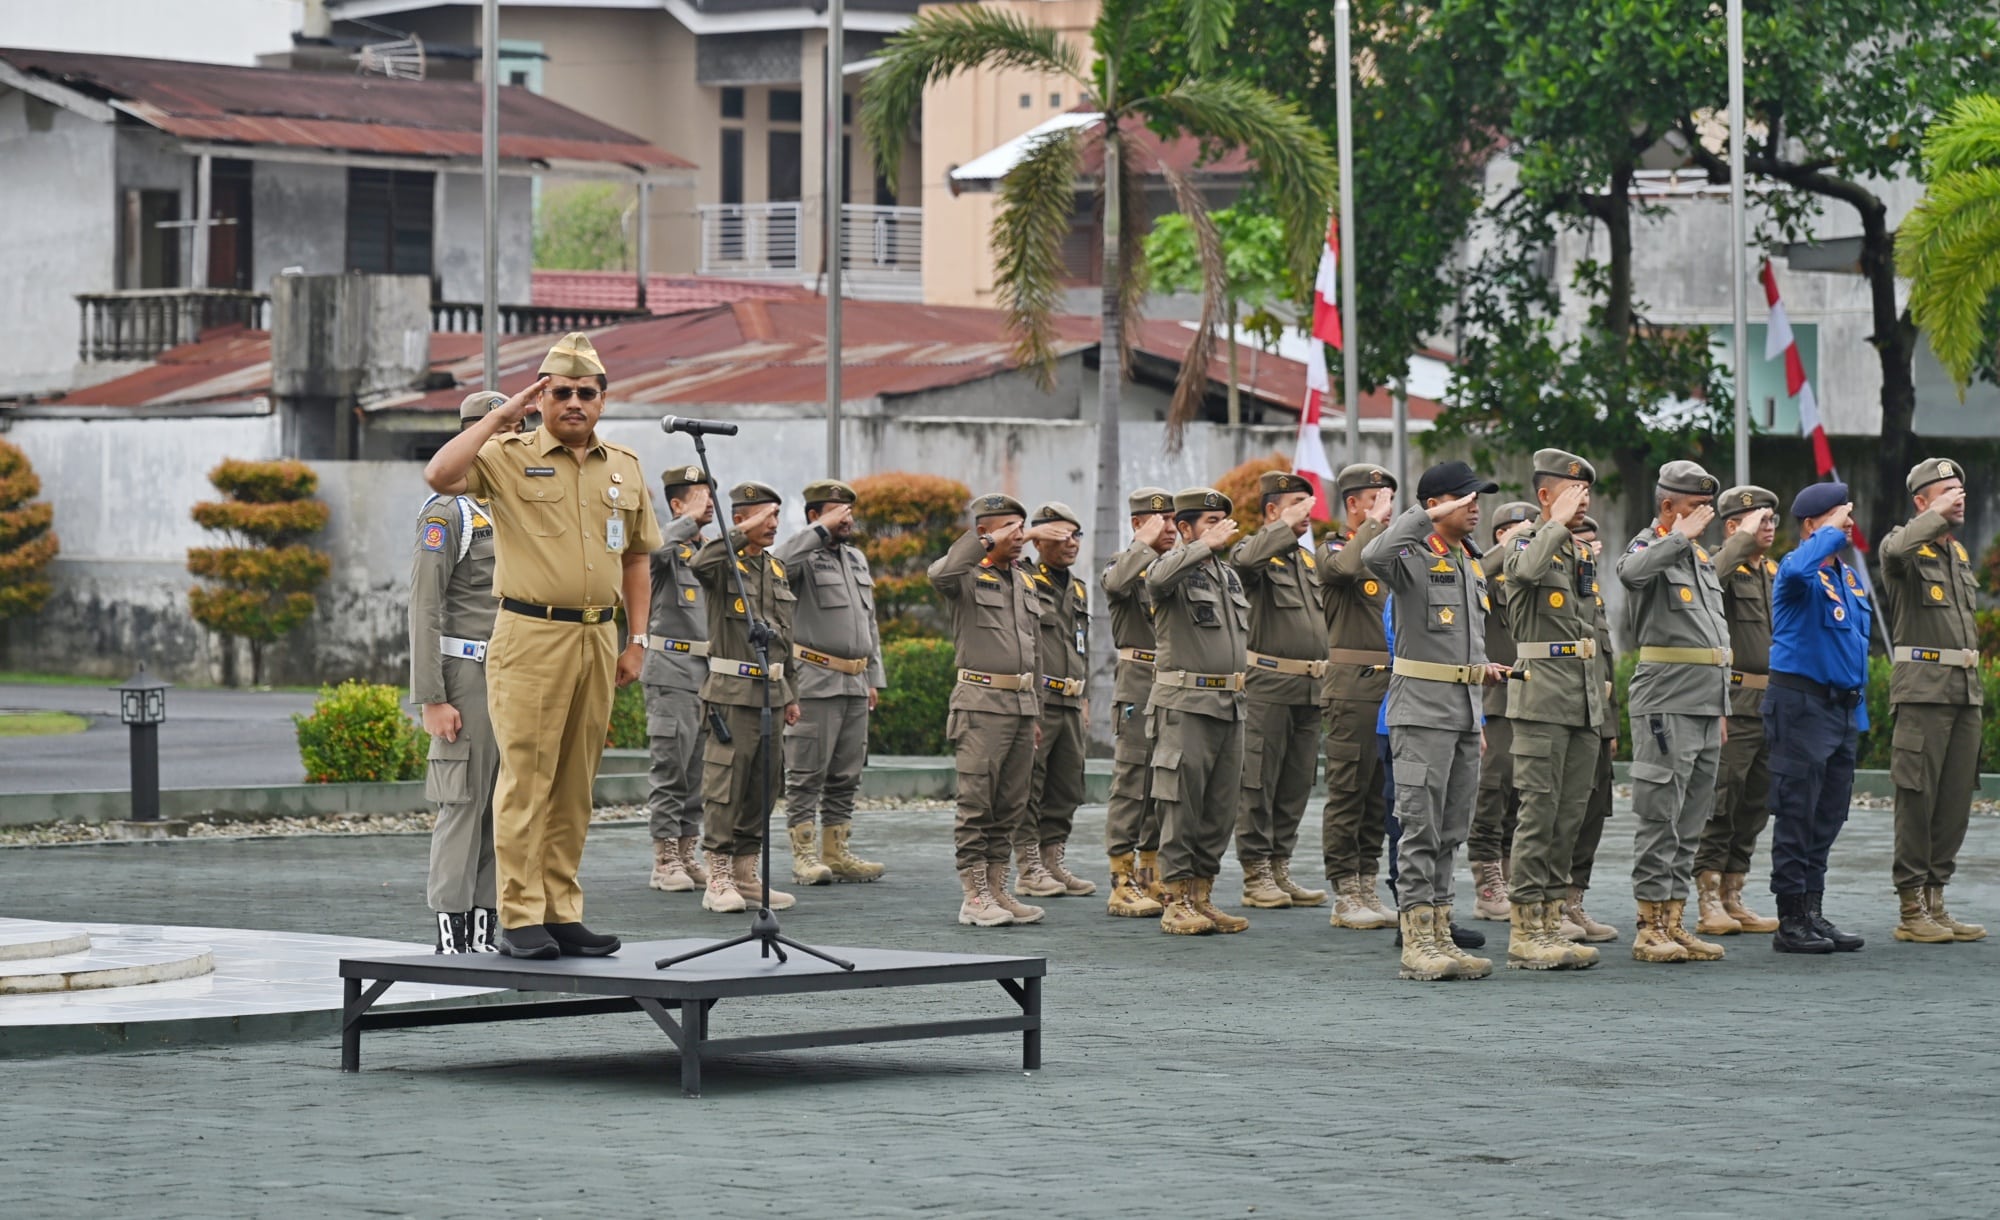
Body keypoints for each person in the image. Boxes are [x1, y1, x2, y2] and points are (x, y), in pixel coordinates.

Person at [421, 333, 660, 960]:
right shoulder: (507, 453)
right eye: (561, 392)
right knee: (526, 779)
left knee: (575, 784)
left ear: (603, 400)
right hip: (528, 635)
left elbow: (637, 558)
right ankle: (519, 913)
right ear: (542, 397)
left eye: (586, 392)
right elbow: (440, 474)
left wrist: (636, 640)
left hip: (597, 637)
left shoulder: (625, 467)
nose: (574, 402)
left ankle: (561, 910)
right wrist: (502, 416)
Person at [1362, 460, 1505, 981]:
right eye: (1465, 499)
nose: (1475, 507)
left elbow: (1459, 640)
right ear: (1437, 505)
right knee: (1419, 827)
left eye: (1476, 499)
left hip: (1463, 712)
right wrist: (1422, 515)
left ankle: (1441, 929)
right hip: (1421, 714)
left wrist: (1481, 677)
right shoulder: (1411, 557)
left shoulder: (1468, 561)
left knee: (1450, 829)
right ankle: (1417, 939)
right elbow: (1373, 553)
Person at [929, 493, 1062, 927]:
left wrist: (1036, 712)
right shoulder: (966, 574)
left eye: (1022, 528)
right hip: (981, 706)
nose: (1021, 537)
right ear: (986, 532)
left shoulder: (1023, 579)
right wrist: (983, 542)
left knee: (1010, 804)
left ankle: (999, 888)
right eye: (1012, 529)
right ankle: (975, 895)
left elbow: (1035, 651)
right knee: (977, 803)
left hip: (1022, 706)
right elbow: (941, 572)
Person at [1617, 460, 1730, 964]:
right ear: (1667, 507)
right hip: (1666, 700)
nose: (1703, 519)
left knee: (1690, 819)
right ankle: (1648, 927)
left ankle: (1673, 920)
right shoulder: (1652, 547)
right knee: (1659, 813)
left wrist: (1721, 706)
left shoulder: (1698, 558)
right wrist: (1677, 537)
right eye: (1693, 509)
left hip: (1706, 703)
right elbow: (1631, 573)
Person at [408, 390, 508, 954]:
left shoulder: (510, 504)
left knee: (504, 803)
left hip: (515, 675)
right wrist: (432, 696)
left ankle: (488, 926)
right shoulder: (449, 512)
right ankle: (452, 929)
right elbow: (423, 606)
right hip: (466, 676)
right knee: (464, 801)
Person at [1497, 449, 1605, 970]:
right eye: (1572, 491)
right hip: (1540, 696)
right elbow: (1521, 572)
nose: (1583, 500)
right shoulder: (1526, 540)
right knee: (1538, 814)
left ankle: (1550, 917)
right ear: (1546, 495)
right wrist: (1554, 526)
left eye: (1586, 492)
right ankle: (1524, 928)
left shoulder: (1578, 553)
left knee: (1569, 815)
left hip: (1581, 697)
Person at [1879, 458, 1987, 943]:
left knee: (1954, 802)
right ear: (1921, 502)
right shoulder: (1902, 547)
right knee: (1917, 800)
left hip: (1964, 693)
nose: (1958, 497)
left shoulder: (1958, 555)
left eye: (1960, 489)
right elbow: (1897, 549)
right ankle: (1910, 906)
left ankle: (1937, 898)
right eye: (1945, 491)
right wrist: (1936, 516)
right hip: (1922, 693)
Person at [1765, 482, 1872, 954]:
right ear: (1811, 525)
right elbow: (1806, 562)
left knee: (1828, 815)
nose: (1848, 523)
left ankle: (1812, 910)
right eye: (1836, 516)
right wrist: (1828, 533)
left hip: (1840, 709)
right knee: (1797, 813)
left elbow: (1855, 648)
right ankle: (1790, 919)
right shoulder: (1796, 568)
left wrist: (1859, 713)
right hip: (1801, 705)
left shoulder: (1847, 578)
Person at [1145, 488, 1252, 935]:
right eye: (1208, 522)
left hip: (1230, 703)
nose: (1219, 528)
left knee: (1219, 807)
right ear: (1184, 528)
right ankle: (1173, 899)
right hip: (1186, 704)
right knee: (1181, 805)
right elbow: (1155, 581)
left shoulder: (1227, 576)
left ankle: (1201, 895)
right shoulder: (1169, 568)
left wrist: (1210, 551)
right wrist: (1198, 547)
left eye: (1221, 520)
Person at [693, 481, 800, 914]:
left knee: (765, 784)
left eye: (775, 516)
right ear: (741, 520)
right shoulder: (724, 564)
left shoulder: (774, 569)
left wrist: (790, 692)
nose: (773, 525)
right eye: (764, 517)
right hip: (731, 694)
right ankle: (716, 878)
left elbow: (785, 637)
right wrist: (740, 531)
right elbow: (702, 562)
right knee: (726, 787)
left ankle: (743, 874)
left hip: (772, 693)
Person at [777, 479, 888, 886]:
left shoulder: (856, 558)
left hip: (855, 682)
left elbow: (868, 621)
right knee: (807, 771)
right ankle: (804, 854)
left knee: (846, 773)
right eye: (837, 512)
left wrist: (873, 675)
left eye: (849, 512)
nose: (848, 519)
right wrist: (818, 532)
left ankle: (835, 850)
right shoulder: (800, 554)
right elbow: (775, 564)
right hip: (815, 680)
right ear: (814, 516)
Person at [1230, 471, 1330, 910]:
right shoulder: (1253, 552)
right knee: (1258, 783)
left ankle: (1280, 865)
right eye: (1298, 506)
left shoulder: (1307, 562)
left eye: (1310, 506)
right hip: (1268, 685)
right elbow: (1246, 562)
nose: (1308, 514)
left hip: (1310, 687)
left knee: (1296, 782)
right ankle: (1256, 874)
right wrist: (1281, 528)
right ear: (1272, 510)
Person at [1693, 486, 1782, 936]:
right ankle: (1708, 896)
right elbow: (1709, 578)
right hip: (1732, 699)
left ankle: (1733, 892)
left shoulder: (1771, 571)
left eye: (1772, 521)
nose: (1768, 529)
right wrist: (1738, 543)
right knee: (1721, 801)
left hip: (1770, 704)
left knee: (1754, 802)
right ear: (1733, 526)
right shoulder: (1717, 563)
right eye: (1759, 521)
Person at [1317, 463, 1399, 930]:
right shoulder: (1335, 549)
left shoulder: (1388, 555)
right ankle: (1345, 890)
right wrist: (1373, 523)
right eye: (1377, 499)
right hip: (1351, 688)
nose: (1386, 510)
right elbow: (1343, 568)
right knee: (1348, 790)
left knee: (1378, 794)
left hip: (1391, 685)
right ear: (1354, 504)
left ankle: (1368, 880)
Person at [1015, 502, 1097, 899]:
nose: (1071, 543)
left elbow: (1082, 648)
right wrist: (1025, 535)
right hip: (1039, 698)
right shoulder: (1022, 577)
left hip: (1070, 699)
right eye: (1061, 535)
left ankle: (1053, 860)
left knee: (1067, 786)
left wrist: (1086, 699)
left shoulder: (1078, 587)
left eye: (1076, 535)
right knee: (1031, 784)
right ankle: (1028, 866)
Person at [1101, 487, 1175, 917]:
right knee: (1132, 785)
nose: (1169, 528)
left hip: (1171, 682)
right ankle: (1120, 879)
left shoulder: (1174, 567)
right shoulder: (1123, 562)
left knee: (1162, 785)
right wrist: (1142, 545)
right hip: (1137, 683)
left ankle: (1151, 873)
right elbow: (1115, 583)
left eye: (1171, 521)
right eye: (1158, 520)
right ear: (1138, 524)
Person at [642, 464, 714, 895]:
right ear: (676, 504)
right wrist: (686, 523)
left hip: (708, 672)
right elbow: (649, 552)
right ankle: (664, 859)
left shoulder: (708, 550)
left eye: (711, 497)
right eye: (700, 496)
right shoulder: (665, 547)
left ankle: (688, 852)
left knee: (699, 771)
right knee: (670, 767)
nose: (709, 505)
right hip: (670, 669)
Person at [1469, 499, 1537, 921]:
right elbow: (1481, 573)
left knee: (1521, 793)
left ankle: (1510, 874)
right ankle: (1486, 880)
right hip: (1493, 702)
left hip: (1531, 699)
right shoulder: (1483, 576)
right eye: (1520, 532)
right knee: (1491, 793)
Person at [1561, 515, 1621, 943]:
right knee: (1563, 812)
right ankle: (1549, 904)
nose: (1592, 551)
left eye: (1595, 544)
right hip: (1564, 715)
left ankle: (1573, 901)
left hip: (1597, 717)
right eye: (1583, 543)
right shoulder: (1555, 588)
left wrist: (1611, 723)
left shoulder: (1591, 593)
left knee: (1594, 811)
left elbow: (1605, 661)